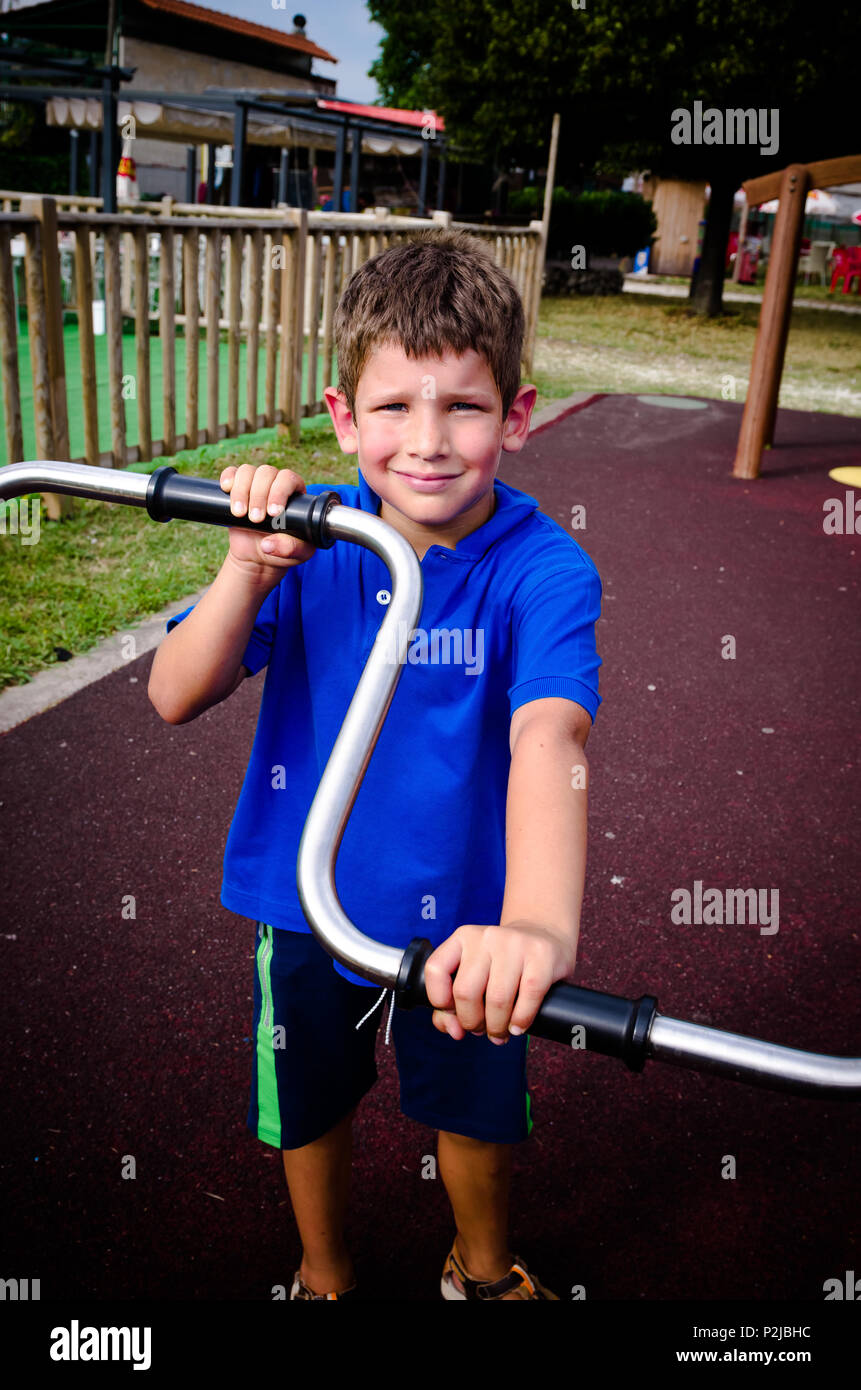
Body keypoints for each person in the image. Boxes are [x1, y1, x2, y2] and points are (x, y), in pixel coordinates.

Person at [147, 227, 602, 1301]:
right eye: (394, 407)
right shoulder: (316, 539)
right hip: (307, 905)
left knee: (476, 1115)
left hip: (469, 926)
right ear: (345, 418)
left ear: (519, 416)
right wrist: (244, 567)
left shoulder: (544, 569)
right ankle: (324, 1271)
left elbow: (551, 736)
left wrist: (533, 927)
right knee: (309, 1104)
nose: (428, 441)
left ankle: (482, 1271)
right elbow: (174, 693)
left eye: (465, 405)